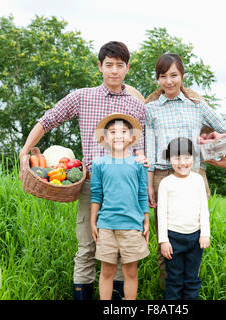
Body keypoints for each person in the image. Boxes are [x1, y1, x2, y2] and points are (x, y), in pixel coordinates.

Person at [18, 41, 148, 300]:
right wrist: (25, 150)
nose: (114, 70)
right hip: (93, 184)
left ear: (127, 68)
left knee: (123, 253)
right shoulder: (82, 97)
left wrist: (144, 188)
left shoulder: (136, 105)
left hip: (126, 187)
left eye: (119, 66)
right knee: (88, 246)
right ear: (100, 66)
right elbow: (48, 119)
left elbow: (140, 148)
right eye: (109, 65)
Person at [144, 53, 226, 288]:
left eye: (174, 75)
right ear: (157, 80)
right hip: (163, 176)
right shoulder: (151, 109)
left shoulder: (198, 107)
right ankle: (170, 293)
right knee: (165, 238)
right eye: (163, 76)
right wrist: (149, 184)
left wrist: (221, 157)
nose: (169, 81)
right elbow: (151, 150)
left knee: (195, 234)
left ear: (182, 76)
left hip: (195, 175)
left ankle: (190, 290)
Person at [90, 113, 150, 300]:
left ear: (131, 138)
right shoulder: (99, 164)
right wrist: (93, 221)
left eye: (123, 131)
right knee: (107, 271)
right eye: (113, 131)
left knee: (130, 272)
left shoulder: (138, 164)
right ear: (105, 138)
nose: (118, 135)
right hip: (106, 226)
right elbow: (96, 194)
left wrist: (145, 220)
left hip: (132, 226)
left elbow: (142, 193)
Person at [157, 137, 209, 299]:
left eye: (187, 157)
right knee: (174, 280)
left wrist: (205, 234)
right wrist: (163, 240)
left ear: (193, 158)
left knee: (192, 279)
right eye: (176, 157)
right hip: (173, 238)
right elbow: (161, 214)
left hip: (195, 237)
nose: (182, 162)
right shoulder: (166, 183)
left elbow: (204, 209)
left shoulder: (198, 179)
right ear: (169, 159)